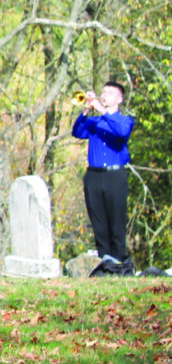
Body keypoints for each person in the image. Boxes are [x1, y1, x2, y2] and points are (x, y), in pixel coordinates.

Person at [72, 81, 135, 270]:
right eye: (104, 92)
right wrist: (85, 111)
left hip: (115, 176)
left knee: (116, 220)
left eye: (110, 93)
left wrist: (101, 109)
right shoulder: (95, 122)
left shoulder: (125, 120)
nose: (104, 95)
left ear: (119, 99)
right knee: (98, 221)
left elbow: (121, 132)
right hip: (94, 176)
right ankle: (104, 261)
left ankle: (119, 262)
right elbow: (77, 132)